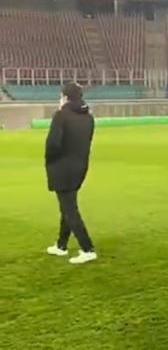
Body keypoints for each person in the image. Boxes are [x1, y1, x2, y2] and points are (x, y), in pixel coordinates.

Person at [45, 83, 97, 265]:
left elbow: (53, 144)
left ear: (65, 97)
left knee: (69, 209)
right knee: (67, 206)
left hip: (62, 167)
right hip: (80, 167)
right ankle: (61, 245)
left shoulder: (61, 116)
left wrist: (51, 162)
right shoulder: (89, 118)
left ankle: (87, 248)